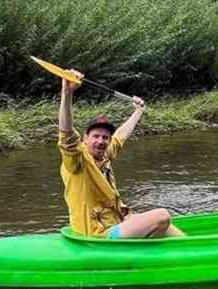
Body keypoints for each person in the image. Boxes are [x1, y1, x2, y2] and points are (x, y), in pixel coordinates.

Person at [57, 69, 184, 239]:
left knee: (167, 225)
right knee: (162, 216)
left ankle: (193, 249)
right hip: (97, 235)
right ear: (85, 139)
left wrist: (138, 112)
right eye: (95, 136)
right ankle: (148, 255)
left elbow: (119, 138)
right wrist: (67, 93)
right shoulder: (76, 161)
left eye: (105, 137)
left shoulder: (104, 155)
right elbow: (66, 134)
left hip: (115, 223)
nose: (101, 141)